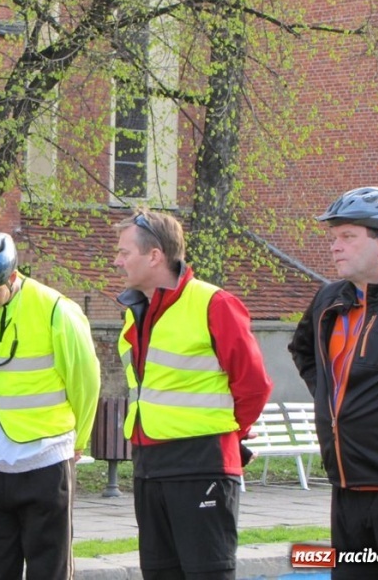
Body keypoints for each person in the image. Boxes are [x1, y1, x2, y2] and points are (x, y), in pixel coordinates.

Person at [113, 208, 273, 580]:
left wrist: (227, 435)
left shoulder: (214, 303)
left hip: (201, 463)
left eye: (124, 252)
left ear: (155, 256)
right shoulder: (136, 311)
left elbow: (254, 385)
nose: (117, 261)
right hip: (149, 465)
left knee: (206, 573)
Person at [288, 186, 378, 580]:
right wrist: (332, 399)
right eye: (333, 237)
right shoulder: (328, 301)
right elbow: (302, 351)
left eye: (348, 236)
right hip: (345, 489)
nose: (335, 246)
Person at [0, 231, 101, 580]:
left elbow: (86, 382)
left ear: (13, 277)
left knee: (49, 570)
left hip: (44, 459)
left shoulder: (57, 311)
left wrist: (79, 439)